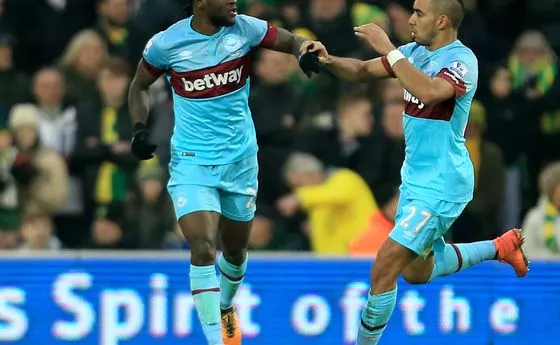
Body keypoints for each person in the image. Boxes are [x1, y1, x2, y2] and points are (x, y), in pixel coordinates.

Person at [302, 0, 528, 344]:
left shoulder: (461, 60)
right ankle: (498, 248)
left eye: (418, 13)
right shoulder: (414, 52)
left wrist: (389, 49)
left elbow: (430, 91)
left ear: (440, 20)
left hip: (443, 183)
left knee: (385, 266)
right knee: (416, 272)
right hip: (415, 180)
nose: (410, 19)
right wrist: (327, 60)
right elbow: (362, 71)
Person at [127, 1, 317, 344]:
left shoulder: (245, 28)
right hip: (192, 162)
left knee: (235, 253)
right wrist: (140, 128)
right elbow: (138, 85)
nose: (234, 1)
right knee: (202, 247)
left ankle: (226, 305)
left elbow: (291, 41)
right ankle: (217, 339)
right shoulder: (166, 44)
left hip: (240, 161)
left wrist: (304, 50)